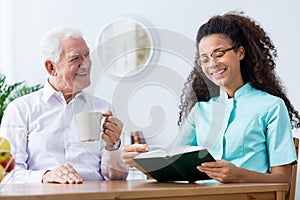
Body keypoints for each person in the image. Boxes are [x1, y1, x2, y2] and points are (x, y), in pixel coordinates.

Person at [122, 11, 299, 185]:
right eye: (204, 59)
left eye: (219, 54)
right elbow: (172, 166)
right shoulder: (200, 112)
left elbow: (283, 179)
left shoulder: (271, 106)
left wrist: (239, 175)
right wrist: (140, 162)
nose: (212, 64)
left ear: (240, 53)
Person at [0, 26, 128, 184]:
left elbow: (117, 178)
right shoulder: (21, 109)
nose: (86, 64)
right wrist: (45, 176)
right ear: (51, 67)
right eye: (76, 59)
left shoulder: (103, 108)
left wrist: (112, 146)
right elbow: (7, 173)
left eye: (87, 55)